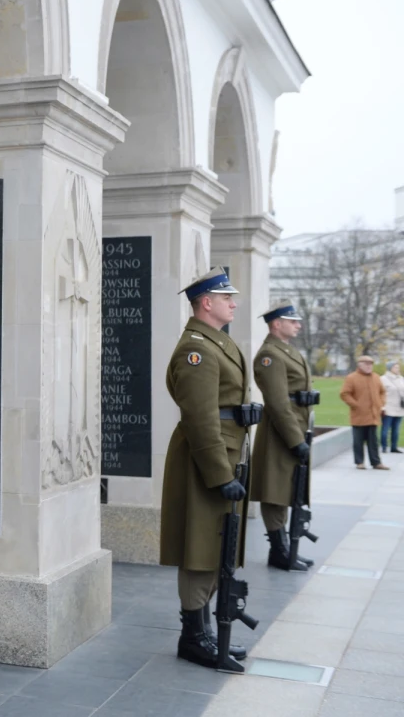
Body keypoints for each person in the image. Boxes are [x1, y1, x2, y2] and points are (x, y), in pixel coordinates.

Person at [161, 267, 253, 668]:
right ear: (206, 303)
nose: (234, 303)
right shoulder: (195, 349)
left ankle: (204, 633)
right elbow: (200, 418)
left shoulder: (215, 342)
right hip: (208, 460)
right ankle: (194, 637)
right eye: (227, 297)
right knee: (201, 548)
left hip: (225, 453)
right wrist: (220, 474)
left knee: (217, 545)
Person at [249, 300, 315, 572]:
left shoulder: (286, 350)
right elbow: (277, 402)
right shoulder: (270, 355)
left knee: (288, 488)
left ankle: (286, 548)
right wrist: (294, 439)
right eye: (293, 321)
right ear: (277, 324)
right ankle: (279, 550)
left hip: (295, 425)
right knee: (275, 492)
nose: (298, 325)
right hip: (281, 431)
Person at [340, 356, 389, 470]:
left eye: (370, 364)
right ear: (359, 365)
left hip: (373, 415)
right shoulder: (351, 378)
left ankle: (376, 462)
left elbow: (382, 392)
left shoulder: (376, 377)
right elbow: (344, 394)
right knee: (358, 441)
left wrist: (380, 403)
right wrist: (356, 405)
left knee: (373, 441)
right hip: (359, 416)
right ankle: (359, 462)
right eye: (366, 364)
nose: (369, 366)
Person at [380, 362, 404, 454]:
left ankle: (394, 447)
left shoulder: (401, 379)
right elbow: (380, 393)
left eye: (398, 367)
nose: (397, 369)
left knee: (396, 429)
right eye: (395, 367)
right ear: (390, 368)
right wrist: (382, 407)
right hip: (387, 407)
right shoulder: (383, 379)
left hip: (399, 408)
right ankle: (384, 446)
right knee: (385, 428)